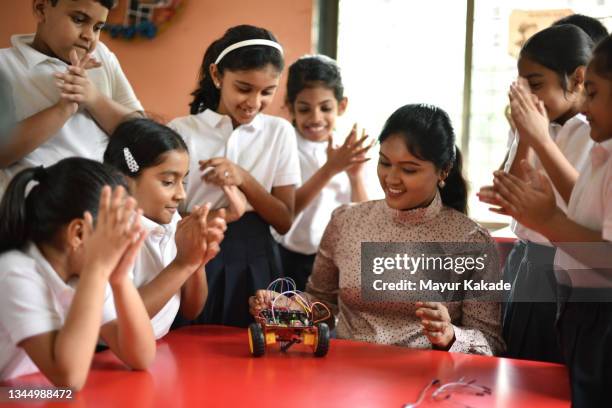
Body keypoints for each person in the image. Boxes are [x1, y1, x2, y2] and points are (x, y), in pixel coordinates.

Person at [251, 104, 504, 355]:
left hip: (424, 383)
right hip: (345, 377)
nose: (392, 178)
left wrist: (450, 336)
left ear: (444, 171)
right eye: (385, 163)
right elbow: (323, 305)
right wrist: (284, 307)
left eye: (409, 169)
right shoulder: (346, 221)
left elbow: (491, 342)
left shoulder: (472, 242)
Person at [479, 34, 612, 407]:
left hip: (579, 281)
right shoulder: (544, 124)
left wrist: (548, 217)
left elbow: (591, 233)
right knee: (525, 370)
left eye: (535, 84)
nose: (586, 104)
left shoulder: (591, 134)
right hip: (542, 266)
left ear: (577, 78)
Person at [169, 25, 301, 328]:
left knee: (253, 350)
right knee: (191, 347)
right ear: (217, 76)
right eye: (244, 88)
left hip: (256, 258)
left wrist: (242, 177)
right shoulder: (183, 130)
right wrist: (223, 214)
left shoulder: (279, 132)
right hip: (197, 251)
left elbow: (284, 218)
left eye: (267, 91)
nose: (254, 102)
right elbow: (170, 214)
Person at [0, 158, 155, 388]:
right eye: (117, 230)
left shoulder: (79, 275)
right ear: (79, 234)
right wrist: (98, 270)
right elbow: (69, 379)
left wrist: (120, 279)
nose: (127, 239)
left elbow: (141, 356)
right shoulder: (14, 272)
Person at [0, 0, 142, 196]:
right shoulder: (4, 65)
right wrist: (64, 108)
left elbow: (142, 134)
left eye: (98, 27)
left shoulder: (102, 57)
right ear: (41, 9)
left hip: (105, 202)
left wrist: (93, 98)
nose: (89, 36)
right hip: (37, 210)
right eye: (79, 19)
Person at [103, 118, 228, 339]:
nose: (181, 194)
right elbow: (121, 321)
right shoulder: (110, 233)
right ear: (122, 180)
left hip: (156, 351)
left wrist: (196, 263)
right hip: (108, 357)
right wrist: (183, 264)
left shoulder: (171, 220)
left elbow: (192, 310)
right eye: (168, 182)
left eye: (184, 181)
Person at [274, 55, 371, 291]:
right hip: (286, 258)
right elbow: (283, 216)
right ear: (290, 107)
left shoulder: (348, 148)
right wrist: (330, 169)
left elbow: (365, 222)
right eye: (305, 109)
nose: (316, 118)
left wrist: (355, 176)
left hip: (334, 262)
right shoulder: (282, 145)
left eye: (325, 108)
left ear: (342, 105)